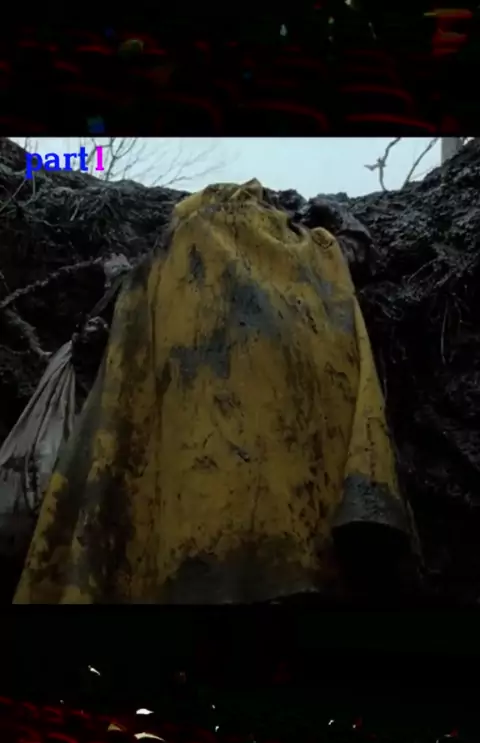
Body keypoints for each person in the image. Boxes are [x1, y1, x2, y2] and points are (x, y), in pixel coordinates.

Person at [13, 179, 420, 605]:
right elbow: (355, 252)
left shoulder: (158, 266)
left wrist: (115, 278)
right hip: (292, 512)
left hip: (193, 512)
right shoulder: (300, 251)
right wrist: (335, 218)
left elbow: (114, 345)